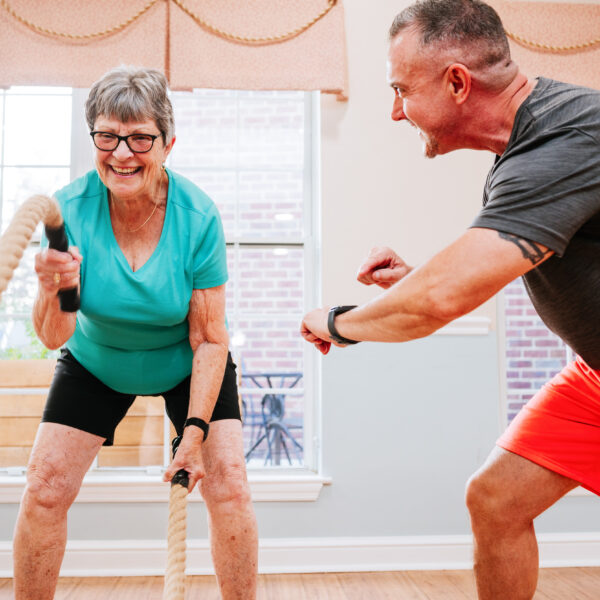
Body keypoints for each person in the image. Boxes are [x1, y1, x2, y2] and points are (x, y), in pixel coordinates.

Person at [301, 0, 600, 598]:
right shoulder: (520, 150)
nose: (394, 112)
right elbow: (477, 272)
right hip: (594, 376)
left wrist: (335, 323)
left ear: (457, 82)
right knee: (496, 498)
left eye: (400, 90)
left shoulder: (569, 137)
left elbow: (440, 301)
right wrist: (417, 278)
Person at [13, 65, 258, 600]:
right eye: (107, 135)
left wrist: (192, 435)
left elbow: (211, 339)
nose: (122, 153)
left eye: (140, 137)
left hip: (185, 362)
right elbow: (55, 337)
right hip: (96, 361)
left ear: (168, 143)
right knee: (44, 489)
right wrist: (55, 289)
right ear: (93, 138)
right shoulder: (69, 210)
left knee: (231, 488)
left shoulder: (197, 217)